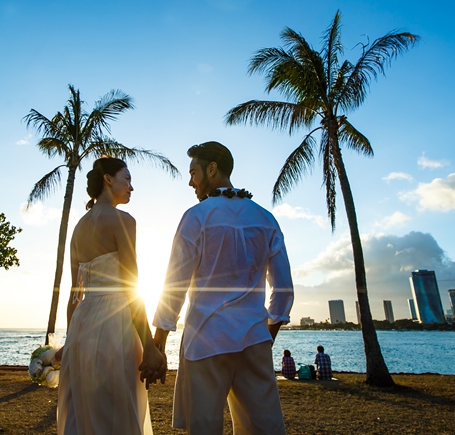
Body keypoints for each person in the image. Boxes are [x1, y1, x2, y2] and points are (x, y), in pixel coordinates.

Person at [153, 141, 294, 435]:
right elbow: (283, 288)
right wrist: (266, 335)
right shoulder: (265, 218)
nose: (190, 181)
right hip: (253, 340)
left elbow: (175, 285)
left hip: (206, 340)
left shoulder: (196, 217)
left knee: (203, 427)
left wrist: (158, 344)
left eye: (193, 172)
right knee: (263, 427)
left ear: (212, 169)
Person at [56, 157, 166, 435]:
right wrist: (149, 346)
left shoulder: (78, 230)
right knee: (117, 411)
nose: (131, 187)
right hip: (114, 325)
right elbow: (131, 286)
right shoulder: (123, 221)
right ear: (108, 179)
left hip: (82, 327)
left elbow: (74, 296)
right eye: (127, 179)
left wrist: (69, 342)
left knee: (84, 414)